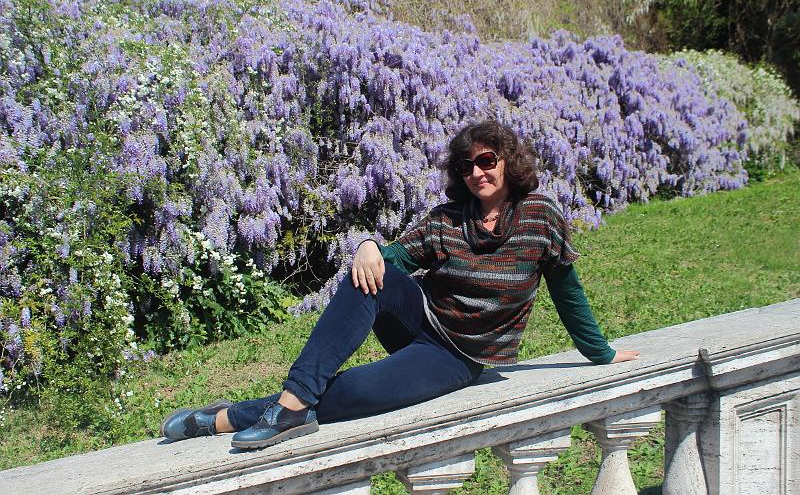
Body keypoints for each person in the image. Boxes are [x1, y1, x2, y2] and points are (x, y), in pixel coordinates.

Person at [160, 120, 640, 449]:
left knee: (354, 394)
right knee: (368, 275)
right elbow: (393, 258)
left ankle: (226, 417)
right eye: (466, 166)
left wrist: (601, 353)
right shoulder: (448, 218)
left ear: (507, 161)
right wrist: (369, 245)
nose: (476, 173)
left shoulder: (540, 217)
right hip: (421, 320)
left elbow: (567, 290)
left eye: (486, 160)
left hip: (458, 355)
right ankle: (292, 402)